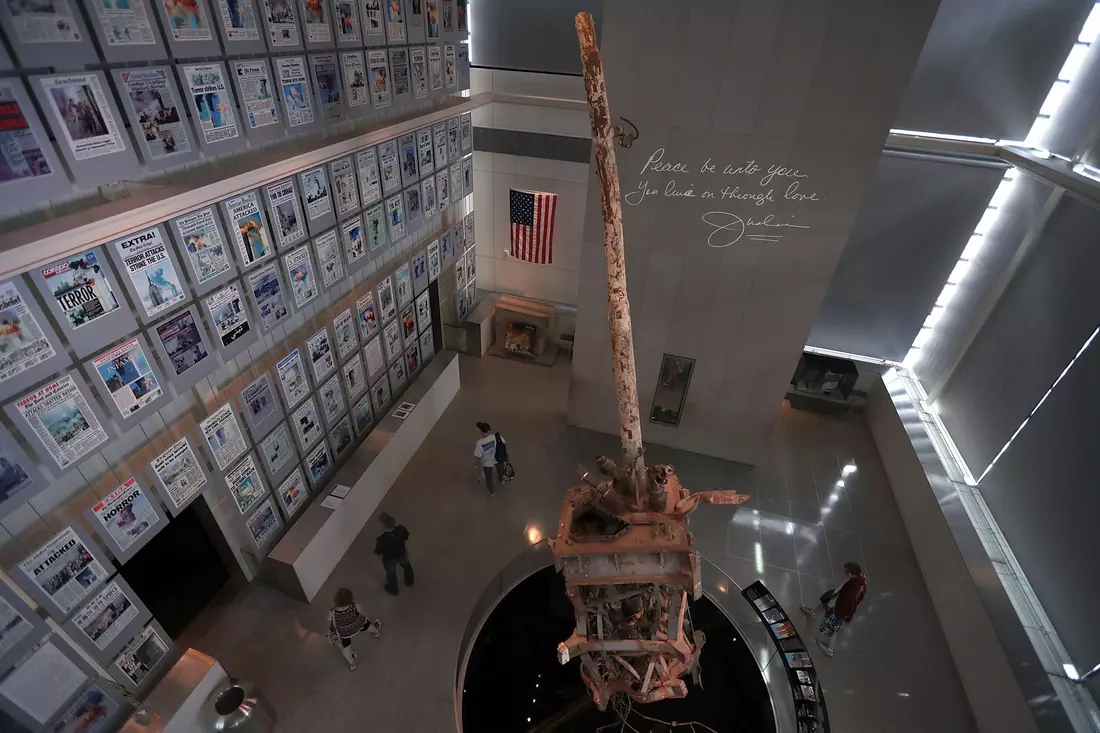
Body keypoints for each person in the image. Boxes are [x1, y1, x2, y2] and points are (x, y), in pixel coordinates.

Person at [801, 562, 867, 657]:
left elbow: (850, 603)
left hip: (839, 608)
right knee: (825, 601)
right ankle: (813, 612)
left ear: (850, 573)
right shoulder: (861, 580)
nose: (843, 573)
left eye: (845, 572)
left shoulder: (853, 588)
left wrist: (846, 616)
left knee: (833, 629)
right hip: (838, 597)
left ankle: (830, 650)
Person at [328, 588, 380, 671]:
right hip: (356, 625)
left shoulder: (332, 611)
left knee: (346, 647)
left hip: (343, 632)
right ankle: (376, 631)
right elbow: (360, 610)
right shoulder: (354, 605)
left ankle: (352, 663)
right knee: (367, 625)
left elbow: (330, 620)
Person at [374, 513, 414, 595]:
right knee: (407, 567)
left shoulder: (382, 539)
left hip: (389, 559)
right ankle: (409, 581)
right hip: (402, 553)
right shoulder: (401, 529)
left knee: (391, 574)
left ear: (384, 526)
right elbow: (406, 536)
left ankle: (393, 589)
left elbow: (378, 551)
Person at [473, 422, 507, 495]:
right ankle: (501, 479)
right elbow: (503, 443)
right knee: (500, 470)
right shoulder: (496, 436)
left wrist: (478, 468)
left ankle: (492, 492)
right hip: (498, 458)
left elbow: (478, 456)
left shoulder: (479, 443)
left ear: (482, 432)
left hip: (487, 463)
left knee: (489, 477)